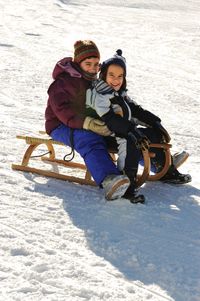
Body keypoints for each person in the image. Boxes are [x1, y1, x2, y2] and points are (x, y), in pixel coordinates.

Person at [86, 49, 192, 203]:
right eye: (111, 75)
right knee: (130, 143)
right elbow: (110, 120)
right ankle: (128, 186)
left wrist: (155, 122)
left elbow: (136, 110)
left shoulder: (119, 93)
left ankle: (166, 170)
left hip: (124, 131)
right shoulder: (101, 95)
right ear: (103, 75)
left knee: (152, 134)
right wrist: (132, 131)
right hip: (107, 135)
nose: (116, 80)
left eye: (120, 76)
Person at [45, 41, 131, 201]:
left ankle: (158, 164)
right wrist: (88, 123)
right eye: (88, 64)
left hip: (85, 121)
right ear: (78, 63)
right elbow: (63, 111)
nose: (93, 68)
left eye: (96, 64)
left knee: (123, 133)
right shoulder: (62, 83)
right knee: (88, 139)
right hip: (59, 125)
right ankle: (109, 178)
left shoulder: (93, 81)